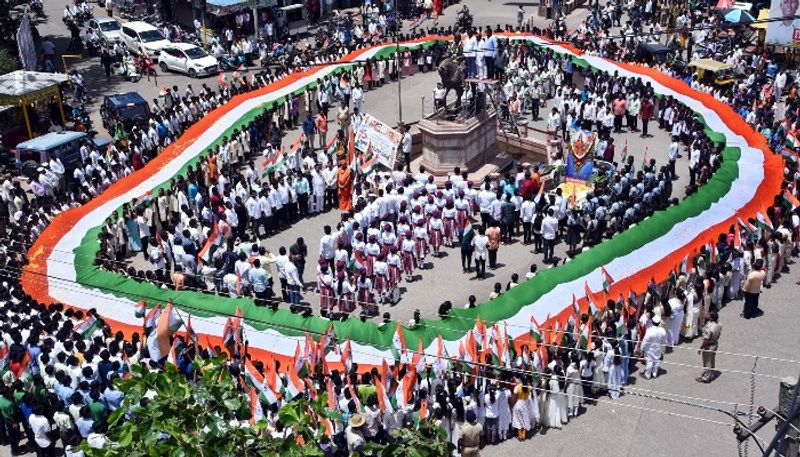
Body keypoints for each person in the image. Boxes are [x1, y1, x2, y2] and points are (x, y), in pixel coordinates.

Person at [696, 311, 722, 383]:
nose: (707, 315)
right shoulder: (719, 324)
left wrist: (700, 348)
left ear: (711, 318)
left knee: (707, 362)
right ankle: (711, 375)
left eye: (708, 315)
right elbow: (719, 334)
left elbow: (706, 341)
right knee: (712, 361)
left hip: (709, 346)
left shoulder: (709, 328)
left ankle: (706, 378)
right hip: (715, 344)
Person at [641, 315, 667, 379]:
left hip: (649, 349)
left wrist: (642, 348)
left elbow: (645, 341)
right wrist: (663, 349)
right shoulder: (662, 330)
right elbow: (664, 341)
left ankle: (647, 375)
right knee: (656, 360)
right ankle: (654, 373)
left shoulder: (649, 330)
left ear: (652, 322)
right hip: (658, 348)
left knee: (649, 361)